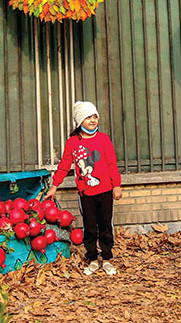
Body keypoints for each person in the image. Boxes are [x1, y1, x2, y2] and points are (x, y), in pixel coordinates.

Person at [45, 101, 123, 276]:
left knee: (105, 225)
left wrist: (116, 185)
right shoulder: (73, 142)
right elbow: (65, 165)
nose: (93, 120)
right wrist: (55, 186)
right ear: (80, 121)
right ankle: (92, 258)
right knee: (90, 227)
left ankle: (108, 258)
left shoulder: (103, 139)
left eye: (95, 116)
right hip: (86, 193)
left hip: (105, 191)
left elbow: (111, 163)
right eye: (88, 117)